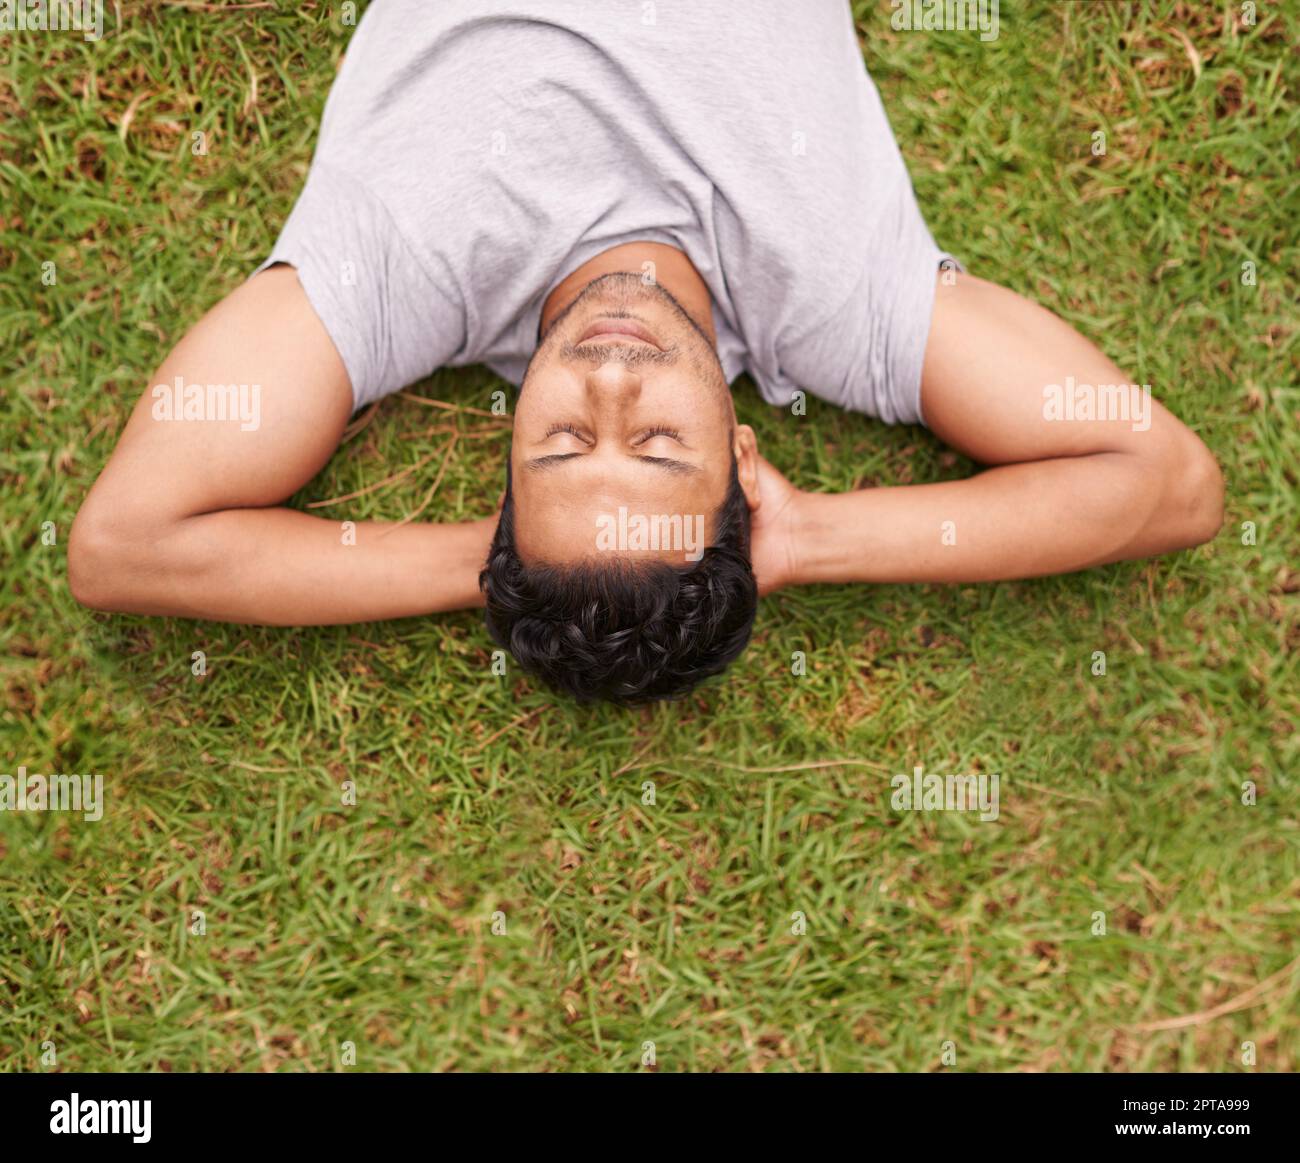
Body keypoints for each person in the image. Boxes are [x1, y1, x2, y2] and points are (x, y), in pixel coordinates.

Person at [69, 2, 1223, 705]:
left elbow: (125, 546)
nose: (612, 379)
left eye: (566, 439)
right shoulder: (837, 301)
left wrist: (499, 563)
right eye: (662, 441)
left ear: (506, 455)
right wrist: (811, 539)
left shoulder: (399, 274)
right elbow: (1169, 484)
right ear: (745, 452)